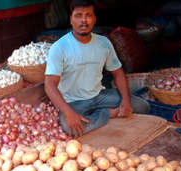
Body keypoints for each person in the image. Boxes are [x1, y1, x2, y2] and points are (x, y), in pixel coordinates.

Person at [45, 0, 148, 137]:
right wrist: (68, 113)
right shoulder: (59, 47)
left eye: (88, 15)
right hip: (74, 102)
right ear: (71, 19)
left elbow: (118, 73)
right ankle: (109, 113)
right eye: (78, 15)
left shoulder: (104, 43)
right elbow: (50, 85)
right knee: (67, 126)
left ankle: (98, 115)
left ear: (94, 19)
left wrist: (126, 101)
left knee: (142, 106)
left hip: (100, 96)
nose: (84, 20)